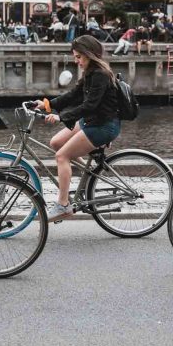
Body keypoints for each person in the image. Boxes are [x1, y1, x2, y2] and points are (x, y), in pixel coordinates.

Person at [33, 35, 121, 222]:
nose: (76, 61)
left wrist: (61, 116)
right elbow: (74, 95)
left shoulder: (100, 75)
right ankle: (89, 175)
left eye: (78, 57)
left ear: (89, 55)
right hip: (92, 121)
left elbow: (89, 105)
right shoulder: (90, 72)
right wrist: (47, 105)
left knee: (62, 156)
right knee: (56, 142)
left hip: (103, 126)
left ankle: (63, 205)